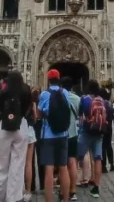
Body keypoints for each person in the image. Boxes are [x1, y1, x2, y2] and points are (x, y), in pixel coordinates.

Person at [0, 70, 32, 202]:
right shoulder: (25, 92)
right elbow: (28, 110)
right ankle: (13, 197)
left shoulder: (3, 92)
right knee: (17, 164)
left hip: (5, 127)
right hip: (21, 126)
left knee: (2, 163)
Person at [38, 69, 72, 202]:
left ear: (48, 79)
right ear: (59, 78)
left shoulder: (44, 94)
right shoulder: (65, 93)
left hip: (48, 135)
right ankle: (66, 199)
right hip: (63, 134)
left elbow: (40, 115)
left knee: (49, 170)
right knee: (63, 168)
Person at [76, 79, 106, 199]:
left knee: (76, 157)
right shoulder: (102, 100)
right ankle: (96, 187)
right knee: (97, 158)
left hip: (86, 131)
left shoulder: (84, 99)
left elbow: (80, 114)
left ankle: (71, 187)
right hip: (98, 133)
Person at [60, 78, 81, 201]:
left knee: (62, 164)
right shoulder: (77, 99)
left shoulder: (58, 97)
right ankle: (73, 190)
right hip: (73, 133)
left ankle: (64, 191)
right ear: (72, 87)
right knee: (72, 162)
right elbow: (79, 114)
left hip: (61, 134)